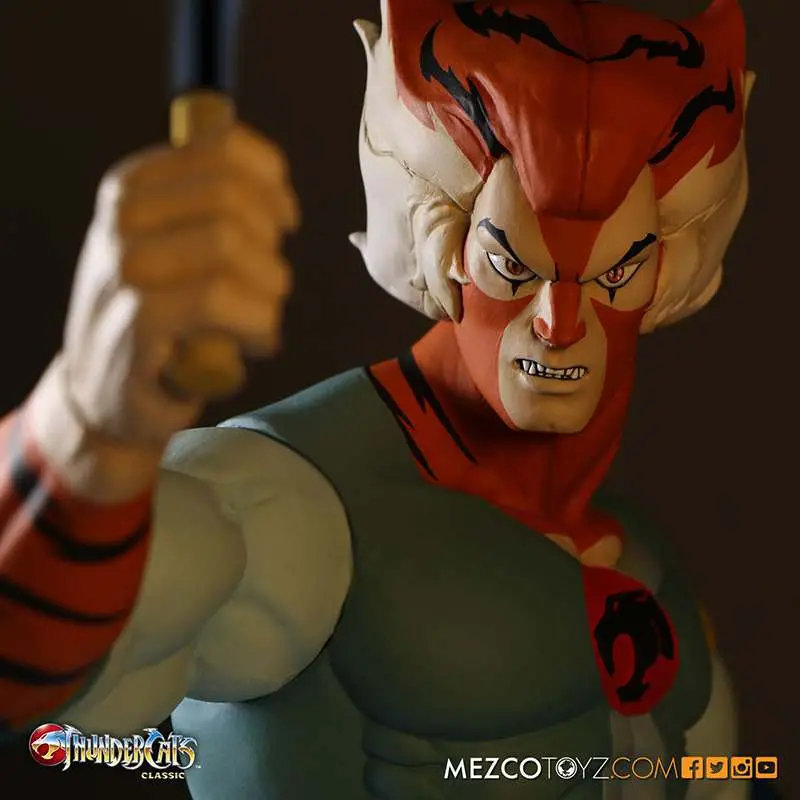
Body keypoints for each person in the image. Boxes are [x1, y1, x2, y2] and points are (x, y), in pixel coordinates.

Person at [0, 0, 771, 797]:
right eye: (512, 267)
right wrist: (90, 427)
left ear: (666, 270)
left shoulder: (635, 553)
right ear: (445, 243)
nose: (561, 324)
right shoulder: (295, 507)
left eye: (615, 274)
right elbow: (54, 663)